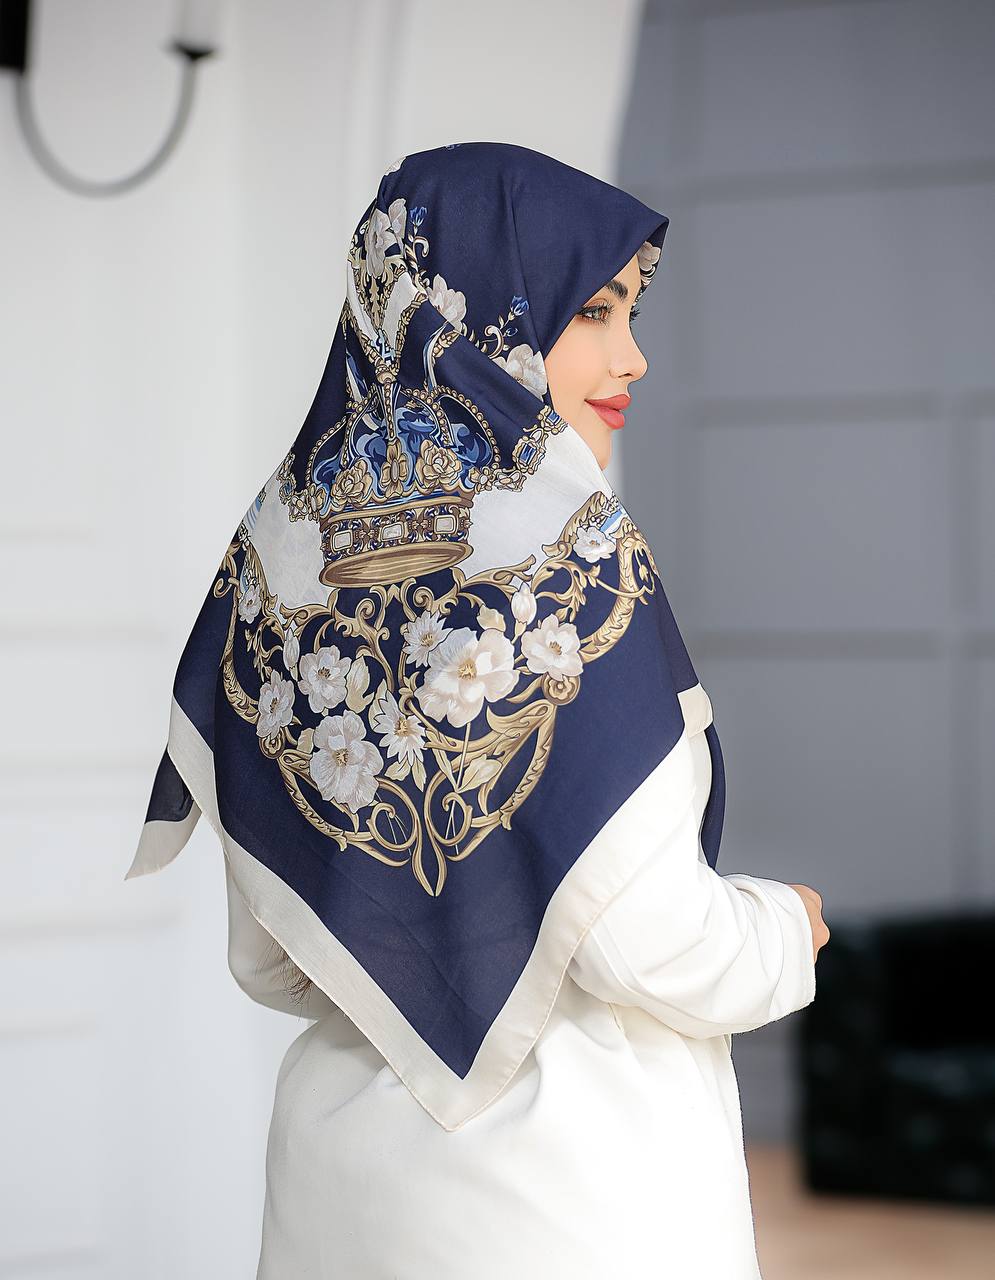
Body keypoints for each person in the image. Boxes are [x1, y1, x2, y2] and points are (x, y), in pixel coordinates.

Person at [128, 142, 829, 1278]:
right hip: (572, 1198)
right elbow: (650, 945)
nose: (633, 357)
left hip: (343, 1194)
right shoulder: (570, 560)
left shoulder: (273, 565)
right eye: (593, 311)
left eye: (630, 312)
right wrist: (781, 926)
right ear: (485, 316)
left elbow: (274, 963)